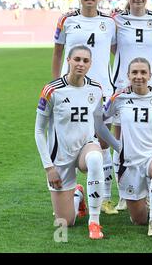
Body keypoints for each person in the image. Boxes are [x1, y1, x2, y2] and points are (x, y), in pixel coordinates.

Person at [35, 45, 120, 240]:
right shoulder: (52, 90)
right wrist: (49, 168)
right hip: (60, 157)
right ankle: (77, 195)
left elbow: (99, 126)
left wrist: (119, 147)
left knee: (96, 158)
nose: (81, 64)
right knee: (66, 221)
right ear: (69, 61)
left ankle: (95, 222)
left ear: (90, 64)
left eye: (85, 60)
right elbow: (39, 130)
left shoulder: (96, 89)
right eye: (77, 59)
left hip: (85, 147)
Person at [52, 0, 118, 215]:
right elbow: (58, 52)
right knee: (69, 142)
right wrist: (55, 83)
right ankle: (74, 190)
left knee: (102, 144)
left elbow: (116, 51)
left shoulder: (110, 22)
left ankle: (106, 198)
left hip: (103, 91)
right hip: (72, 92)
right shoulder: (67, 20)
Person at [111, 0, 152, 211]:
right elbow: (112, 48)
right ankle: (124, 191)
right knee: (121, 137)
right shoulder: (117, 20)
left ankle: (151, 186)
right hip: (123, 84)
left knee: (150, 135)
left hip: (151, 85)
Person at [103, 58, 152, 236]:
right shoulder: (119, 98)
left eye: (143, 72)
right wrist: (117, 146)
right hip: (129, 162)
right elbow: (99, 122)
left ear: (150, 75)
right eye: (134, 72)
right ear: (128, 75)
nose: (139, 76)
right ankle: (145, 207)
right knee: (138, 220)